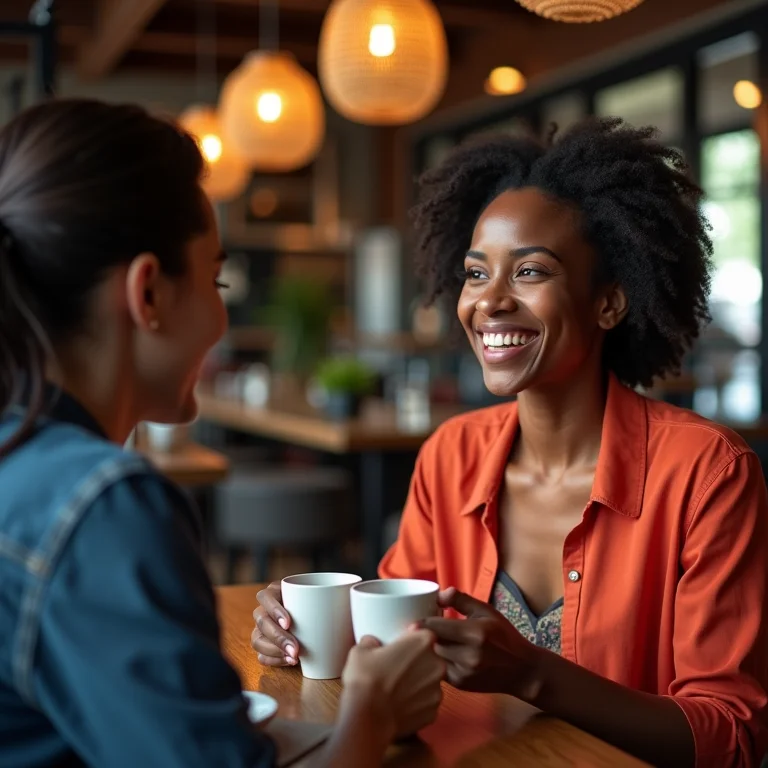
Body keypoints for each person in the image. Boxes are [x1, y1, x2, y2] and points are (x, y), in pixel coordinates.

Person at [253, 118, 768, 768]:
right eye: (475, 273)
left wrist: (532, 674)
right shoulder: (451, 455)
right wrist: (300, 630)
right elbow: (388, 644)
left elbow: (730, 737)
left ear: (608, 302)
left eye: (529, 272)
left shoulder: (707, 473)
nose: (489, 302)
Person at [0, 98, 445, 768]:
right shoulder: (103, 507)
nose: (220, 319)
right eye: (216, 278)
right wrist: (371, 714)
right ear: (147, 294)